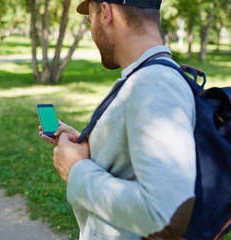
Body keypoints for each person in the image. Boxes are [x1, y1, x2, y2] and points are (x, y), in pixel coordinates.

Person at [38, 0, 196, 239]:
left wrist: (76, 170)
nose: (92, 32)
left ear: (106, 12)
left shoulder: (154, 84)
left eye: (90, 21)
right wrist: (92, 145)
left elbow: (165, 214)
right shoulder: (147, 77)